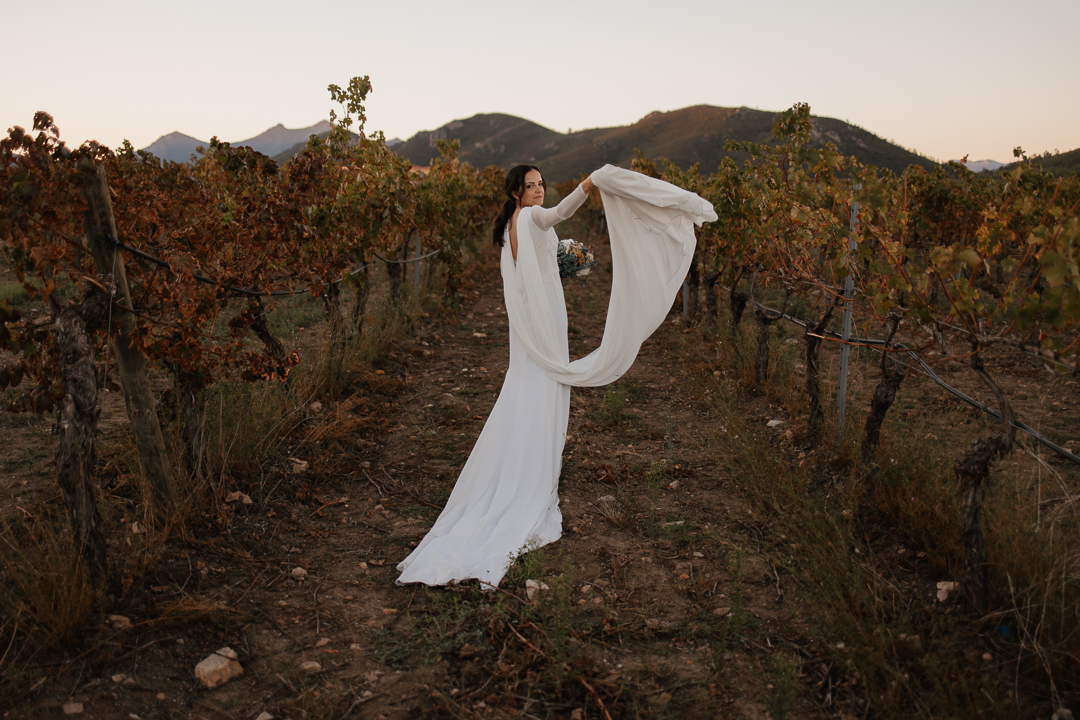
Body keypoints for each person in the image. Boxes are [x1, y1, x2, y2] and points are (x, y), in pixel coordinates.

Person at [397, 164, 716, 588]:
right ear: (515, 192)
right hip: (543, 318)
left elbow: (534, 261)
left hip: (532, 318)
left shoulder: (511, 224)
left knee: (527, 387)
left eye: (541, 184)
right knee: (541, 387)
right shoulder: (530, 215)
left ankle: (520, 463)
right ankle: (530, 475)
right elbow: (558, 215)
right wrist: (589, 183)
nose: (539, 190)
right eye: (530, 186)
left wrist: (559, 261)